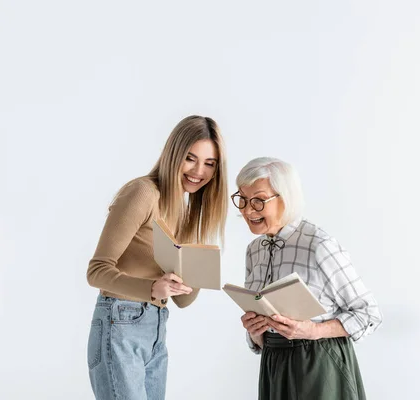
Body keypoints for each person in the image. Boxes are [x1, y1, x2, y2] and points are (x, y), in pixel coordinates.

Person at [86, 115, 228, 400]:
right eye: (190, 158)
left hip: (156, 325)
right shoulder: (143, 193)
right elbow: (96, 271)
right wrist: (152, 288)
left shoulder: (186, 213)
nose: (199, 171)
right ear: (174, 153)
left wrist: (196, 268)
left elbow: (183, 301)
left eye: (209, 163)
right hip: (120, 321)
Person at [232, 157, 382, 400]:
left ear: (286, 198)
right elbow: (262, 324)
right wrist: (255, 333)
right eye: (243, 199)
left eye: (258, 201)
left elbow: (368, 314)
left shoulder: (319, 245)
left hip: (320, 361)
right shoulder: (254, 250)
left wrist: (312, 330)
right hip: (273, 362)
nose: (248, 210)